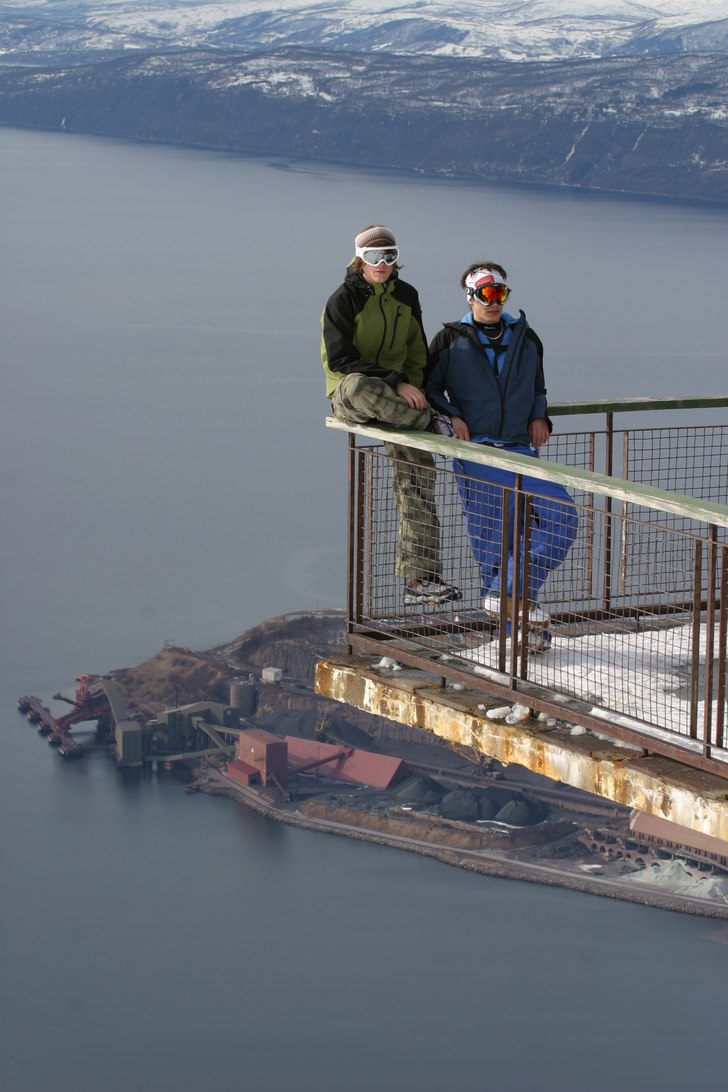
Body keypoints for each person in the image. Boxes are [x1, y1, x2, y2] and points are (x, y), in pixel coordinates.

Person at [426, 262, 578, 640]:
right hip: (476, 450)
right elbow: (429, 388)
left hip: (519, 448)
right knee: (494, 540)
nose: (493, 302)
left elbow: (538, 387)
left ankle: (505, 595)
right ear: (471, 296)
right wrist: (453, 415)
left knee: (562, 519)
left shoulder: (526, 338)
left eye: (500, 294)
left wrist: (539, 415)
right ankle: (515, 633)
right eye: (486, 294)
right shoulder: (449, 340)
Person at [321, 224, 459, 605]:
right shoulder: (343, 300)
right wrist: (398, 384)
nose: (382, 264)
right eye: (373, 257)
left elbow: (416, 349)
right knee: (360, 385)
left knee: (416, 483)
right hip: (355, 395)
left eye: (389, 256)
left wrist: (414, 389)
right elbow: (340, 359)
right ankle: (432, 426)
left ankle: (421, 580)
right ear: (359, 260)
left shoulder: (406, 295)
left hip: (400, 405)